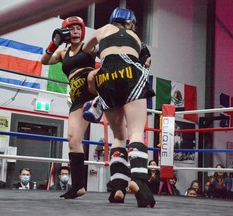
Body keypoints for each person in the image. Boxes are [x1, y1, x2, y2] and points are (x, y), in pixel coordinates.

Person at [83, 8, 156, 208]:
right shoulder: (137, 38)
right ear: (131, 23)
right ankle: (139, 181)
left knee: (118, 136)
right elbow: (146, 62)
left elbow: (86, 50)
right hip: (131, 70)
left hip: (105, 75)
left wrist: (100, 52)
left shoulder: (102, 30)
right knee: (136, 131)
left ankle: (117, 186)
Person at [41, 16, 97, 199]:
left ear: (83, 31)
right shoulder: (63, 54)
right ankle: (78, 186)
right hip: (76, 99)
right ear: (65, 32)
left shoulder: (87, 47)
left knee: (93, 76)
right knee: (73, 140)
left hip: (90, 92)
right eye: (71, 29)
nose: (75, 32)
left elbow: (105, 52)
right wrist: (54, 43)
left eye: (78, 28)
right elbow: (44, 61)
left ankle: (102, 99)